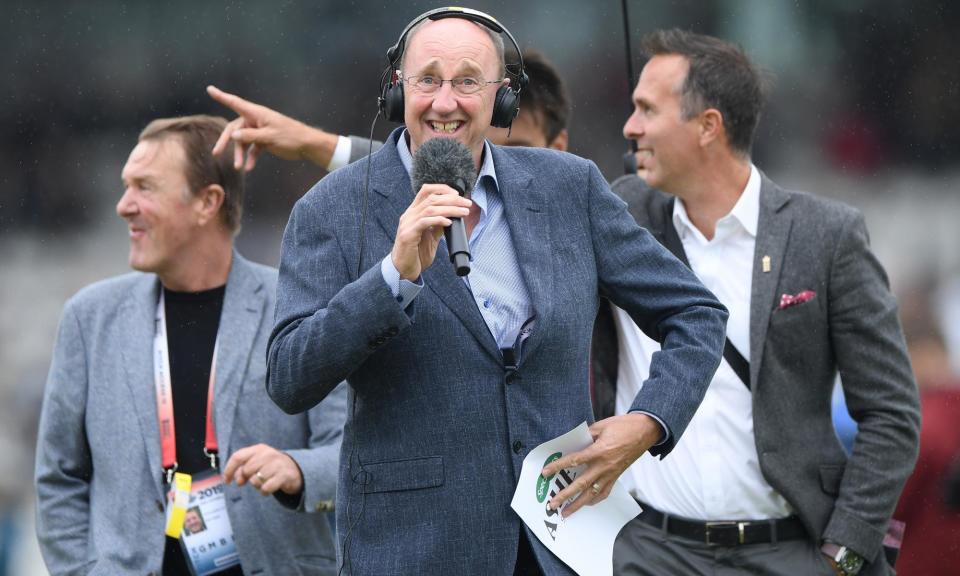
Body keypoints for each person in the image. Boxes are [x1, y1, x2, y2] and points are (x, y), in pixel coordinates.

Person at [266, 7, 727, 575]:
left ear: (502, 98)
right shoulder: (331, 210)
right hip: (413, 551)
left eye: (467, 82)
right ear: (397, 90)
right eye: (428, 79)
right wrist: (392, 278)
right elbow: (289, 376)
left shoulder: (569, 187)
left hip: (560, 548)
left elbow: (697, 313)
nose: (445, 101)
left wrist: (648, 422)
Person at [598, 29, 920, 576]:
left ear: (708, 127)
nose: (630, 128)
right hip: (645, 551)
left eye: (647, 110)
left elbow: (892, 414)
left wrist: (842, 555)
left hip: (789, 552)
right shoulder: (617, 212)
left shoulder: (827, 235)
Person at [35, 115, 347, 576]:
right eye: (126, 186)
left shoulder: (298, 307)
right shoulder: (88, 318)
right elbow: (58, 481)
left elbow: (349, 453)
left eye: (145, 187)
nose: (124, 205)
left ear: (208, 202)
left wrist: (298, 471)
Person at [206, 50, 570, 173]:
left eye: (515, 148)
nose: (489, 161)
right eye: (473, 147)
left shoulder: (590, 215)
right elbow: (397, 170)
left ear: (558, 149)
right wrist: (309, 143)